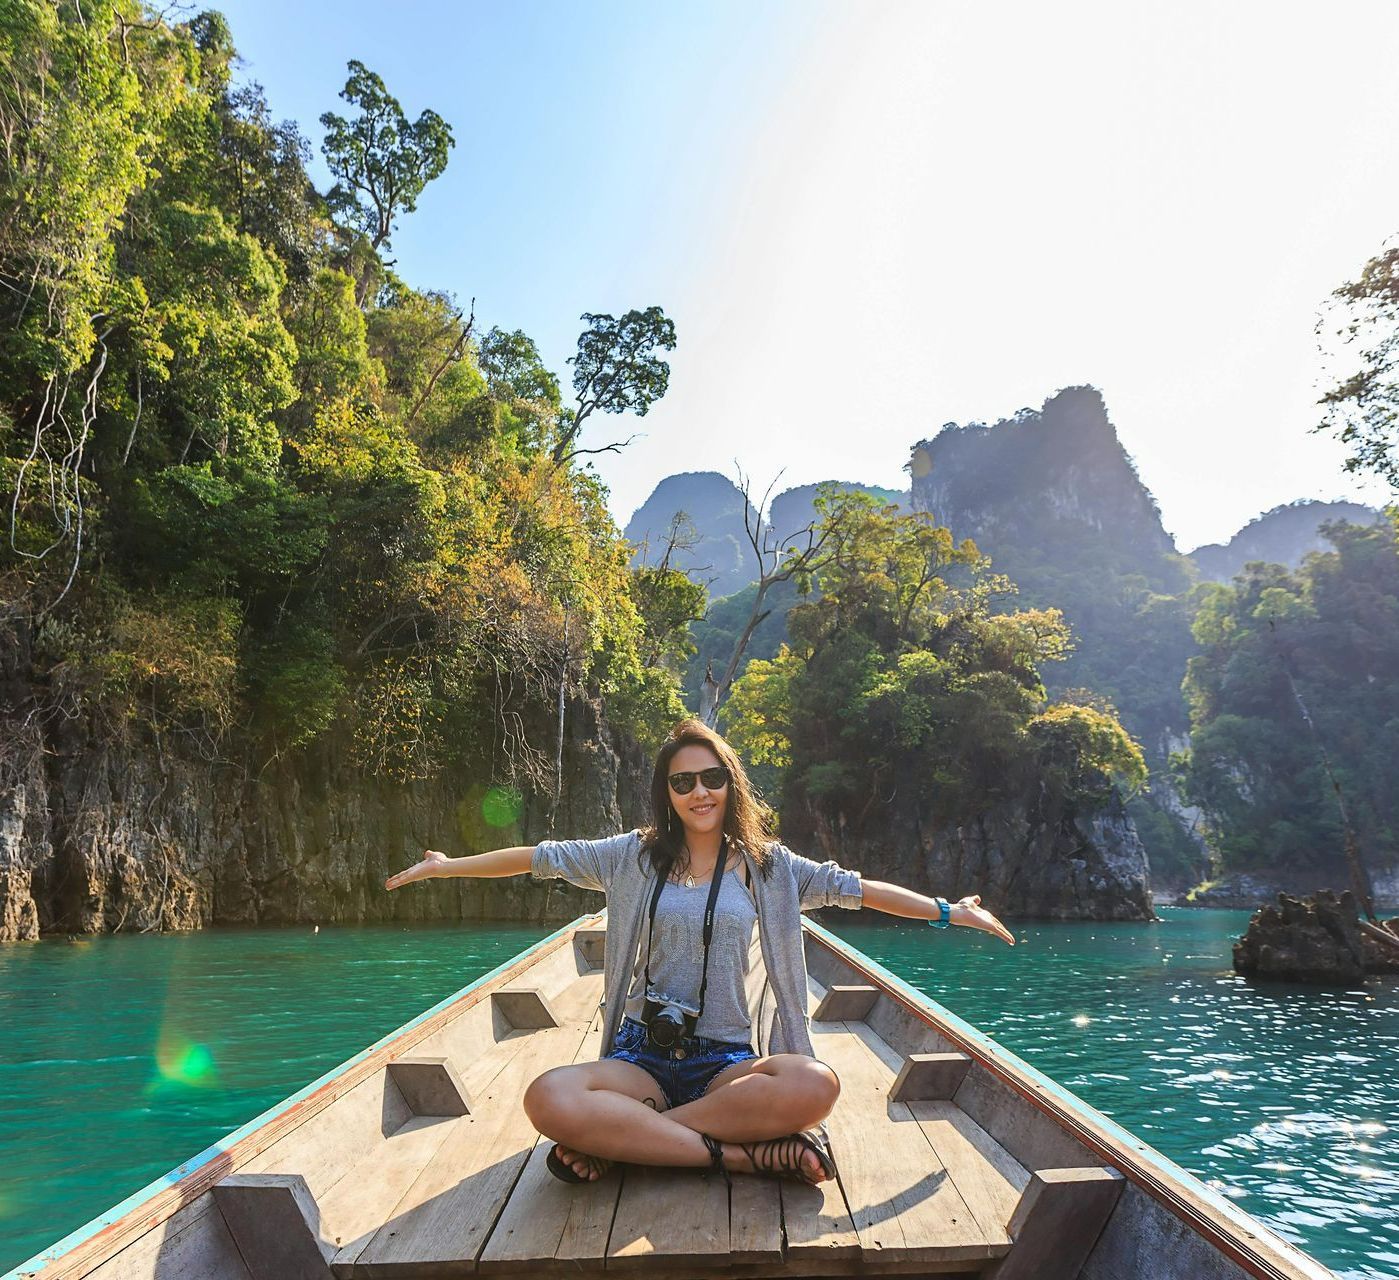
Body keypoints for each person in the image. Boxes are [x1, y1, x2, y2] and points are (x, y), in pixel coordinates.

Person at [385, 718, 1014, 1186]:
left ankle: (629, 1142)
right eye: (682, 782)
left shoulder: (772, 869)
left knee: (813, 1083)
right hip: (643, 1058)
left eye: (712, 778)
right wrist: (446, 868)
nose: (699, 792)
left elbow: (859, 890)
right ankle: (738, 1154)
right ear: (668, 792)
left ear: (730, 783)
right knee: (547, 1097)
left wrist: (948, 912)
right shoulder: (631, 855)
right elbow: (537, 857)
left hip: (725, 1062)